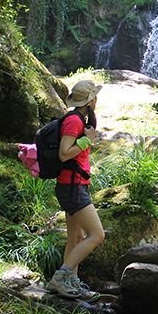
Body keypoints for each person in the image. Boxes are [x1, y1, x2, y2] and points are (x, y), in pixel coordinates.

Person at [45, 80, 105, 300]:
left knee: (76, 236)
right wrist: (86, 141)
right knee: (97, 234)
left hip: (74, 184)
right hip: (72, 186)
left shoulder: (79, 119)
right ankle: (60, 278)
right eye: (95, 97)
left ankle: (71, 283)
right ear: (90, 101)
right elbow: (64, 153)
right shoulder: (74, 121)